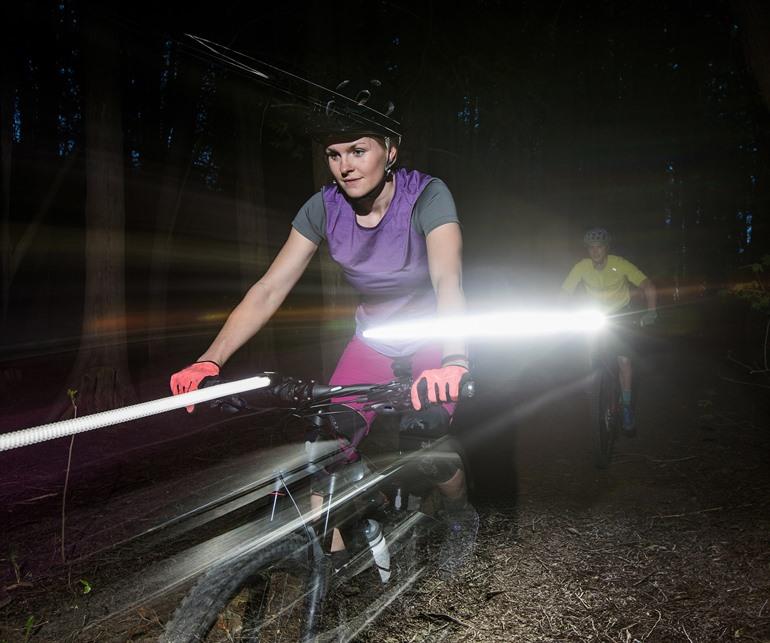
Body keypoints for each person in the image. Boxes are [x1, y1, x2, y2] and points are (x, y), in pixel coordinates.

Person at [169, 95, 476, 575]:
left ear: (390, 151)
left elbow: (448, 280)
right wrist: (211, 360)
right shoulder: (323, 207)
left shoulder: (427, 195)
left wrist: (455, 358)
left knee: (427, 446)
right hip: (372, 340)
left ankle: (460, 516)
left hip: (433, 336)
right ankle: (329, 570)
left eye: (358, 150)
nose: (345, 166)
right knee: (326, 445)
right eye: (334, 155)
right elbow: (269, 289)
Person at [561, 227, 657, 434]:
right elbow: (565, 291)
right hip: (594, 315)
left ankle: (627, 407)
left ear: (607, 248)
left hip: (619, 315)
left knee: (623, 360)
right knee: (585, 348)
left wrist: (652, 311)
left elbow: (647, 284)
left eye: (599, 247)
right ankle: (594, 386)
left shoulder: (620, 264)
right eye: (591, 248)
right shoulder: (581, 267)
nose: (595, 251)